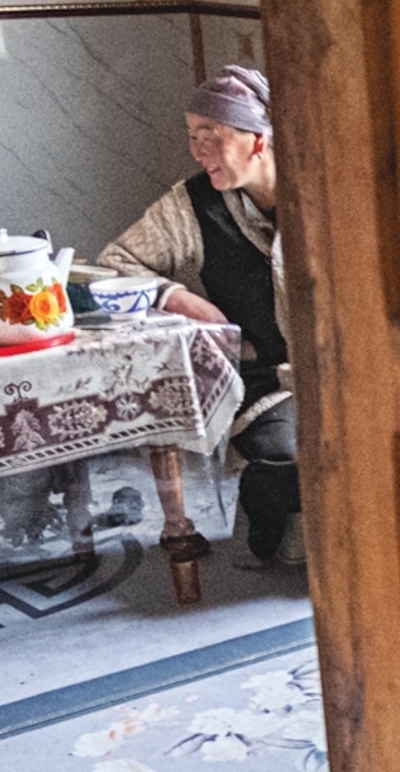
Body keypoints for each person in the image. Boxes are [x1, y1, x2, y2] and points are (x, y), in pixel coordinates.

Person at [98, 66, 301, 567]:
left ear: (258, 139)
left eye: (212, 136)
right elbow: (107, 268)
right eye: (193, 137)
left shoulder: (329, 187)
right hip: (268, 382)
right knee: (287, 448)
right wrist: (174, 296)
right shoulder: (193, 205)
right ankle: (278, 527)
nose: (198, 150)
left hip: (352, 375)